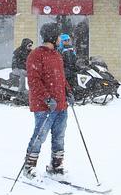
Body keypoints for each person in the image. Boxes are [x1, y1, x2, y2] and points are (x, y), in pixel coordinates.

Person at [22, 29, 69, 179]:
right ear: (53, 37)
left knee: (59, 136)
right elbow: (34, 81)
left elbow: (60, 78)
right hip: (45, 106)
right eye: (59, 38)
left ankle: (56, 165)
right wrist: (47, 98)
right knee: (40, 136)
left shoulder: (57, 54)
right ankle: (29, 166)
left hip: (61, 104)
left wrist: (69, 91)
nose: (60, 40)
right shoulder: (35, 55)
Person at [59, 32, 80, 99]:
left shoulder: (71, 48)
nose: (67, 41)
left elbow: (74, 58)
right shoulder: (60, 49)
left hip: (72, 69)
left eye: (68, 40)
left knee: (73, 83)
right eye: (65, 40)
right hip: (65, 70)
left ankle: (73, 95)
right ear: (62, 41)